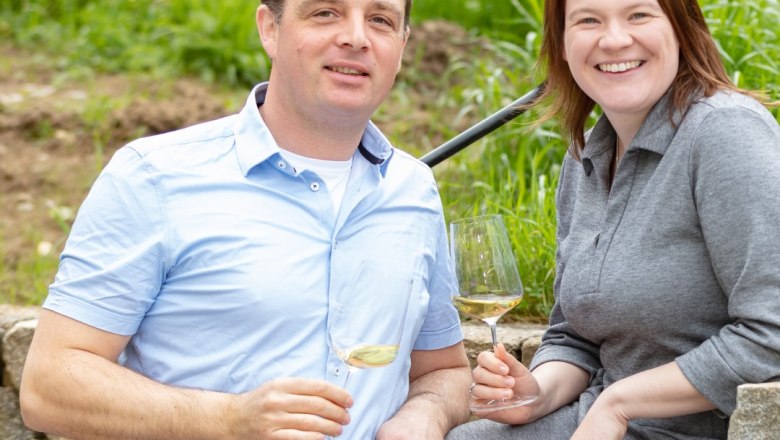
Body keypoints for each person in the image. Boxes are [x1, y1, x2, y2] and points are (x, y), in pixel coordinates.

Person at [19, 0, 472, 438]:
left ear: (402, 45)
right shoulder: (153, 176)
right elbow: (48, 386)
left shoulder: (413, 189)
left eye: (380, 20)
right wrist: (230, 420)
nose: (355, 37)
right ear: (269, 29)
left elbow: (444, 371)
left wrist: (425, 415)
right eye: (325, 13)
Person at [447, 0, 780, 439]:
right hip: (602, 418)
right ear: (562, 46)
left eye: (638, 14)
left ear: (681, 27)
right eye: (588, 20)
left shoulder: (725, 135)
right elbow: (575, 335)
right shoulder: (586, 154)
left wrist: (620, 403)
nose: (614, 39)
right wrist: (535, 394)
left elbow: (771, 334)